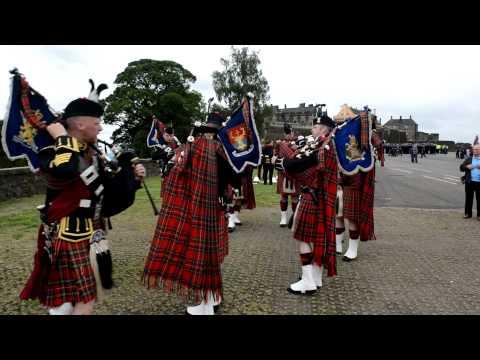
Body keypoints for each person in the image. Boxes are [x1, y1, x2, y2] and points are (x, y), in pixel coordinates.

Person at [19, 84, 146, 315]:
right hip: (68, 234)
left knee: (80, 297)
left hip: (92, 232)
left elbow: (108, 194)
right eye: (96, 122)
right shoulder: (51, 150)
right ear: (79, 124)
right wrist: (62, 138)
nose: (101, 127)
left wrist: (134, 182)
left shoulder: (92, 153)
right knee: (72, 301)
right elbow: (64, 171)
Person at [143, 112, 239, 315]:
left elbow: (178, 173)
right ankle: (213, 297)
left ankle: (205, 306)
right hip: (218, 207)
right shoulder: (227, 151)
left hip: (199, 208)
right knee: (212, 256)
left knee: (203, 256)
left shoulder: (194, 148)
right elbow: (237, 180)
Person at [273, 114, 338, 294]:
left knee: (303, 238)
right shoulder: (327, 145)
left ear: (324, 129)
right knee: (317, 240)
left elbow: (306, 168)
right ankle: (315, 278)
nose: (312, 130)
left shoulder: (323, 148)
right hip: (319, 198)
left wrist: (283, 164)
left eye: (315, 127)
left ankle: (308, 281)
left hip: (312, 196)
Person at [336, 110, 377, 261]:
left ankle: (353, 248)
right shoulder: (335, 136)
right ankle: (337, 243)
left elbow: (373, 148)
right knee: (337, 214)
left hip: (353, 181)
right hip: (336, 181)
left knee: (351, 217)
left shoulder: (356, 138)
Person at [274, 123, 300, 227]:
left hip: (294, 174)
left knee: (295, 197)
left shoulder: (298, 143)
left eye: (290, 132)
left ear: (293, 132)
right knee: (283, 197)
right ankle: (283, 218)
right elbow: (275, 156)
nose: (288, 135)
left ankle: (294, 218)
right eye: (287, 133)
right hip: (283, 174)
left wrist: (295, 148)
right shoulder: (280, 144)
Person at [460, 144, 480, 220]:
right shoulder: (469, 159)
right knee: (468, 199)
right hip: (469, 182)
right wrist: (466, 167)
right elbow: (461, 168)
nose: (476, 151)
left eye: (477, 149)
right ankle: (468, 213)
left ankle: (479, 215)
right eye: (474, 149)